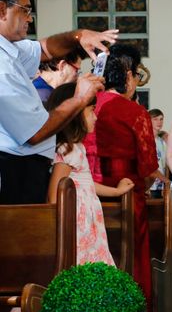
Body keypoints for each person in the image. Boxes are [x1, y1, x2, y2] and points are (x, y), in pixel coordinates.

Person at [0, 0, 117, 204]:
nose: (29, 19)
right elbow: (34, 133)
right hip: (14, 168)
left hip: (25, 166)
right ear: (2, 9)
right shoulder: (2, 66)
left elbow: (45, 48)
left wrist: (79, 36)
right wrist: (80, 98)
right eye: (24, 10)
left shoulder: (10, 49)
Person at [94, 44, 158, 312]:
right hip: (127, 190)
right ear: (130, 76)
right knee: (132, 259)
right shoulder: (134, 112)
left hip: (90, 190)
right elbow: (148, 164)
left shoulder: (88, 104)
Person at [46, 83, 134, 265]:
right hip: (78, 224)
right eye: (91, 110)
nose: (95, 116)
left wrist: (116, 192)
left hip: (88, 221)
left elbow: (87, 184)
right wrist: (66, 226)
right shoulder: (67, 149)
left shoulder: (78, 148)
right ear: (75, 113)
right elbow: (54, 196)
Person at [148, 108, 168, 198]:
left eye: (161, 119)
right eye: (155, 119)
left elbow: (164, 165)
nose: (159, 122)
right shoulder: (145, 140)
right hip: (149, 185)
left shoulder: (162, 142)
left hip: (160, 186)